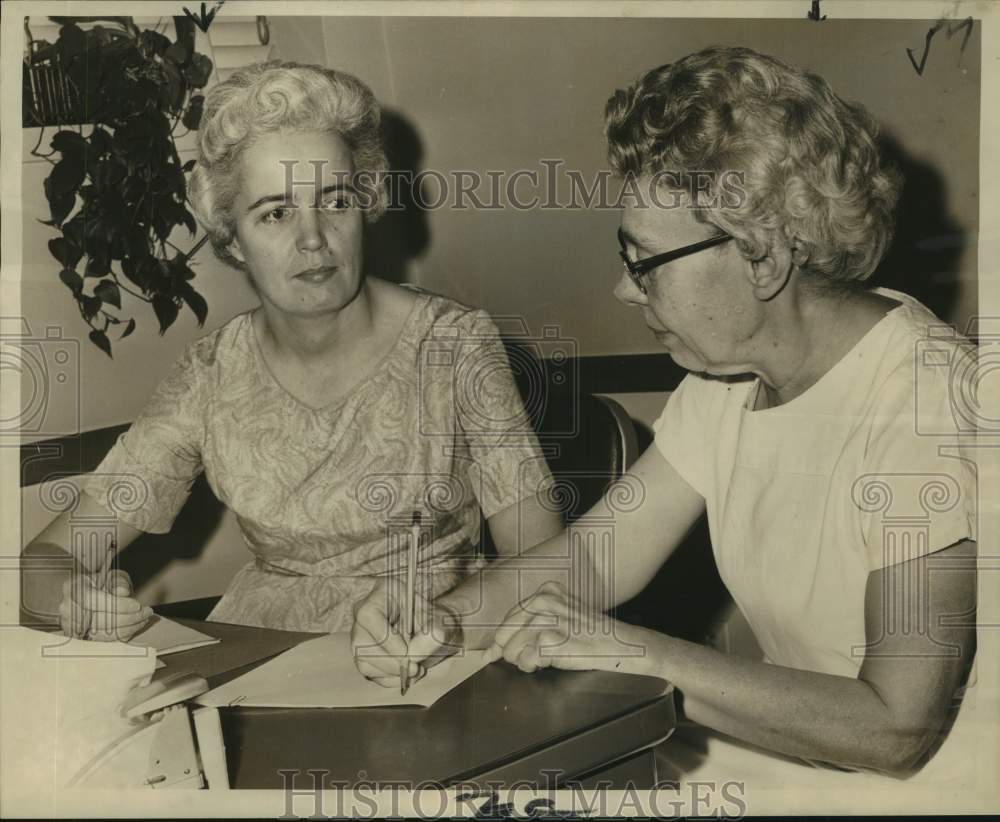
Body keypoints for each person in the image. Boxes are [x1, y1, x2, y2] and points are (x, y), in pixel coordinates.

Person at [352, 46, 979, 784]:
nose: (624, 289)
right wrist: (443, 618)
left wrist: (634, 651)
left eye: (645, 262)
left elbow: (897, 729)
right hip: (803, 765)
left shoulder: (928, 399)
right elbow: (593, 558)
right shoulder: (730, 377)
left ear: (764, 258)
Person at [21, 61, 562, 638]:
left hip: (436, 645)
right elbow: (45, 560)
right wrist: (75, 598)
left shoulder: (454, 344)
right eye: (275, 213)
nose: (313, 239)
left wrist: (446, 624)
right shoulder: (209, 373)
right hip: (265, 651)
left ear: (367, 203)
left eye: (334, 202)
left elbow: (550, 562)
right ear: (231, 238)